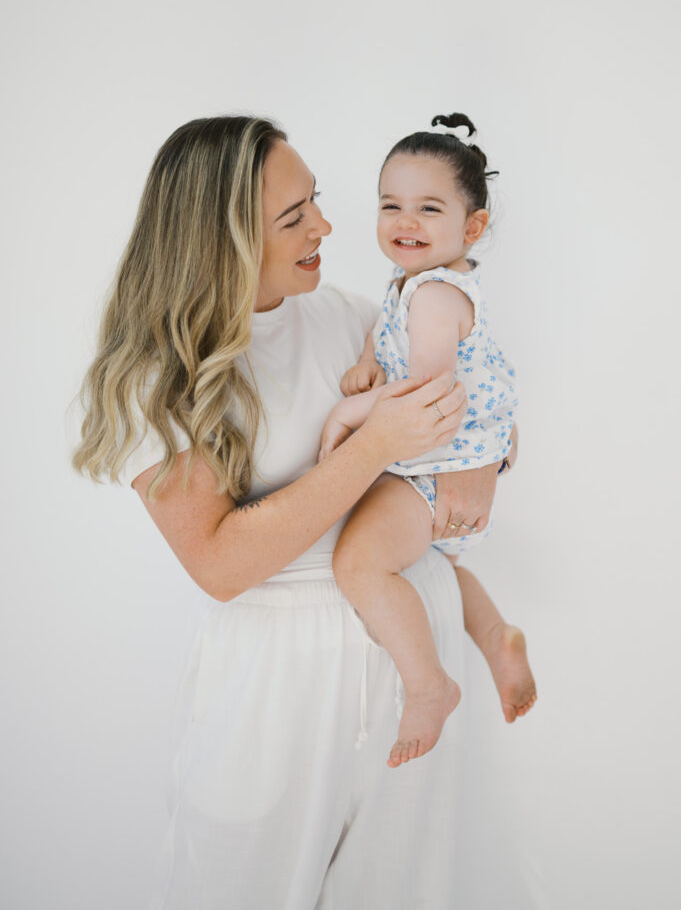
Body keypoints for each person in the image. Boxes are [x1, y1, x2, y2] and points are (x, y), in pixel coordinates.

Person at [71, 114, 518, 909]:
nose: (326, 226)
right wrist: (374, 444)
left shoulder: (350, 313)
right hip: (278, 682)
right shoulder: (159, 376)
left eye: (316, 200)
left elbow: (475, 399)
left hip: (415, 653)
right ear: (225, 237)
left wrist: (489, 460)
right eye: (292, 217)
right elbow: (220, 564)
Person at [318, 112, 537, 769]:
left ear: (472, 227)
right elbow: (390, 327)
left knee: (359, 565)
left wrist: (350, 412)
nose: (404, 222)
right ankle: (494, 635)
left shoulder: (437, 297)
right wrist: (365, 356)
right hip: (447, 471)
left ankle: (428, 685)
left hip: (430, 470)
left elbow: (424, 390)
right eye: (391, 205)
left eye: (427, 208)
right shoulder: (414, 285)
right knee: (437, 565)